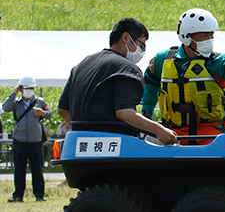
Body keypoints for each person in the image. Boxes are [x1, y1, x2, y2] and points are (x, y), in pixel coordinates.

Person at [141, 8, 225, 143]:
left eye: (211, 35)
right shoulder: (162, 59)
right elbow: (150, 83)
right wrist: (147, 112)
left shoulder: (217, 62)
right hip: (172, 130)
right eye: (204, 36)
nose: (209, 40)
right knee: (144, 140)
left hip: (211, 130)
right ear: (186, 37)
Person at [57, 18, 178, 146]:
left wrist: (85, 136)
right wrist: (159, 130)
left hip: (79, 150)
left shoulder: (82, 65)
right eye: (141, 45)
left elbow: (63, 109)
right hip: (114, 149)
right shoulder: (127, 69)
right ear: (126, 37)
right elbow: (124, 113)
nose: (142, 52)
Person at [2, 77, 52, 202]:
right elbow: (5, 107)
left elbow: (50, 113)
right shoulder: (16, 102)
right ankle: (18, 195)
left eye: (31, 88)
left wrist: (43, 113)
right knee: (19, 168)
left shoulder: (39, 101)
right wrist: (13, 94)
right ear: (21, 89)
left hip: (35, 140)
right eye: (26, 88)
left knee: (37, 169)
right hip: (20, 140)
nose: (29, 90)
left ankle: (40, 195)